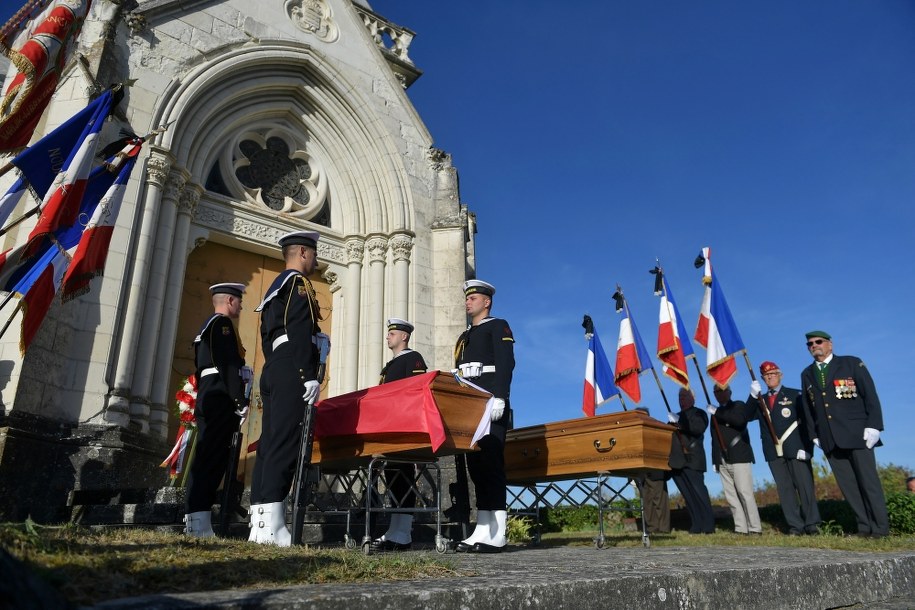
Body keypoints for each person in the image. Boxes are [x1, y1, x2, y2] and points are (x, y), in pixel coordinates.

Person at [248, 231, 324, 546]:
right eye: (314, 254)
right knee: (285, 443)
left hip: (276, 366)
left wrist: (281, 363)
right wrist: (308, 374)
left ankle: (261, 522)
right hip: (293, 366)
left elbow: (269, 337)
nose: (316, 261)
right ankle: (273, 527)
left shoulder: (276, 287)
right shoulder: (297, 284)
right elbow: (299, 328)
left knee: (270, 443)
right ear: (303, 253)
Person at [799, 330, 888, 537]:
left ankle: (881, 528)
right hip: (829, 438)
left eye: (818, 341)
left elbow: (870, 395)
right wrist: (814, 434)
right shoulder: (807, 373)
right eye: (810, 344)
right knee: (849, 486)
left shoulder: (851, 363)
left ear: (830, 344)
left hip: (858, 434)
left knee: (868, 482)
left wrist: (874, 425)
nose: (814, 345)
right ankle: (864, 527)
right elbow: (808, 408)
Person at [453, 280, 515, 553]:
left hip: (491, 400)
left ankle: (498, 532)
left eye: (473, 298)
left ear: (486, 302)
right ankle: (483, 528)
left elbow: (505, 363)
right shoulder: (464, 337)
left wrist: (500, 395)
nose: (468, 302)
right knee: (476, 466)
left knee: (491, 462)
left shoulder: (498, 326)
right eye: (467, 299)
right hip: (470, 404)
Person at [184, 283, 250, 538]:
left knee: (206, 457)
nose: (241, 307)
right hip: (220, 398)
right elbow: (227, 365)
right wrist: (239, 401)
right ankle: (199, 522)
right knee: (212, 459)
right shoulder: (222, 324)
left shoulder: (206, 326)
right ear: (230, 301)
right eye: (239, 301)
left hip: (209, 395)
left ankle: (196, 520)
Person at [371, 318, 429, 551]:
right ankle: (394, 531)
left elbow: (417, 391)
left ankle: (403, 533)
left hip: (404, 425)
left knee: (403, 477)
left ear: (404, 337)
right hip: (389, 425)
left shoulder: (413, 358)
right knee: (393, 476)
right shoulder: (390, 365)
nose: (388, 336)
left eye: (392, 333)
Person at [747, 360, 820, 535]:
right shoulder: (760, 400)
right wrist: (752, 396)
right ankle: (795, 526)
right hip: (773, 451)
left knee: (805, 487)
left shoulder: (795, 395)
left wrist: (807, 448)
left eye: (773, 374)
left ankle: (812, 524)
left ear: (780, 375)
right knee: (785, 490)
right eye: (766, 375)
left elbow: (808, 422)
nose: (770, 377)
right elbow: (746, 416)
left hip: (796, 448)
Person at [710, 385, 761, 535]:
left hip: (739, 456)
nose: (719, 394)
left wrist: (717, 412)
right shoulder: (714, 412)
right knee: (731, 496)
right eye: (716, 392)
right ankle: (740, 527)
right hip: (723, 459)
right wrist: (715, 460)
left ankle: (755, 527)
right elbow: (714, 439)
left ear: (729, 392)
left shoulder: (738, 405)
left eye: (722, 390)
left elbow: (739, 421)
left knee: (745, 493)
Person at [667, 387, 716, 534]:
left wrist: (679, 423)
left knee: (699, 493)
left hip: (692, 458)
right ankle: (696, 524)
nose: (681, 399)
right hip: (677, 462)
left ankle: (708, 525)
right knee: (688, 495)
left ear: (693, 398)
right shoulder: (675, 417)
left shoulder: (699, 413)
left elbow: (697, 428)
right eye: (680, 397)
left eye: (684, 396)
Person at [634, 407, 670, 534]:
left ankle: (663, 528)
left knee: (659, 500)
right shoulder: (634, 432)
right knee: (647, 501)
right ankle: (651, 527)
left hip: (655, 468)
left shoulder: (656, 428)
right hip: (641, 471)